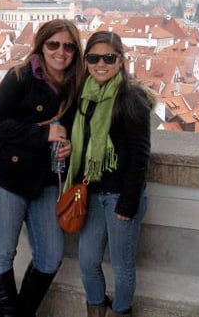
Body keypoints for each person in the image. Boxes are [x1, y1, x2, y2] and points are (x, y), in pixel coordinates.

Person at [0, 19, 84, 317]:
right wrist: (44, 134)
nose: (60, 52)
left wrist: (70, 146)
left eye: (68, 46)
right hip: (6, 178)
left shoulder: (75, 85)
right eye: (53, 44)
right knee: (2, 253)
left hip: (45, 180)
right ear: (42, 45)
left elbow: (75, 130)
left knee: (50, 256)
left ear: (75, 52)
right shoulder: (20, 76)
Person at [65, 31, 154, 317]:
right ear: (86, 60)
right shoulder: (84, 95)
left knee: (122, 266)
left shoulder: (131, 98)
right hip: (92, 194)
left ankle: (120, 312)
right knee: (88, 261)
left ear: (120, 61)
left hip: (120, 199)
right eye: (93, 57)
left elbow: (140, 155)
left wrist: (127, 204)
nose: (100, 64)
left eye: (108, 58)